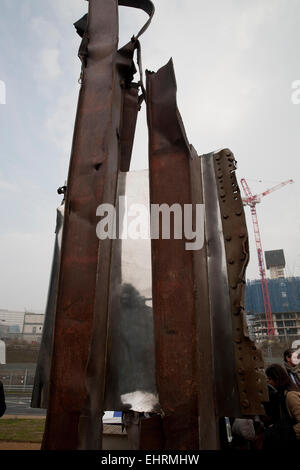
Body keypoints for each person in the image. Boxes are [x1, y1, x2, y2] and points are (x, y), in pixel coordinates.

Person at [262, 364, 300, 449]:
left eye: (270, 379)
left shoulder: (291, 396)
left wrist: (280, 432)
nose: (268, 382)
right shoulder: (281, 396)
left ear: (277, 379)